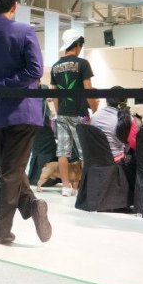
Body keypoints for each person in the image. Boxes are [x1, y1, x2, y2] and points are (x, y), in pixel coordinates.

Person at [0, 0, 51, 245]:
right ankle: (3, 229)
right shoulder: (25, 31)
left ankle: (30, 207)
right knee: (11, 172)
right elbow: (34, 71)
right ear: (15, 6)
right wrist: (2, 86)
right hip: (22, 112)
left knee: (8, 170)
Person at [51, 29, 99, 197]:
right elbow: (88, 89)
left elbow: (54, 93)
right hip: (80, 113)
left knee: (63, 151)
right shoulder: (83, 63)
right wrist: (94, 108)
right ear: (77, 44)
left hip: (63, 113)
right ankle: (85, 187)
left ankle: (65, 187)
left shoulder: (55, 66)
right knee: (84, 150)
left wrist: (59, 112)